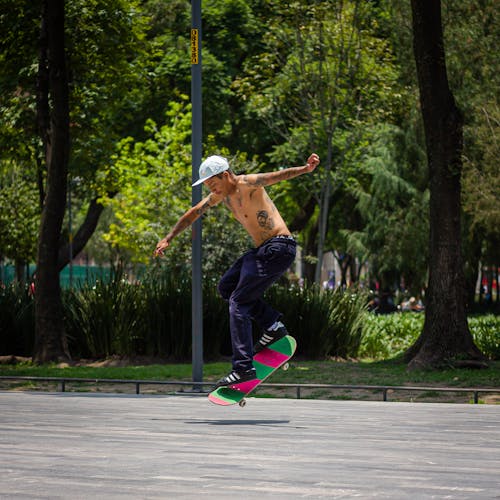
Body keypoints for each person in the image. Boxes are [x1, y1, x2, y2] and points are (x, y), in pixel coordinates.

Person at [154, 152, 320, 388]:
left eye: (213, 184)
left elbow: (278, 176)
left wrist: (305, 169)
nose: (213, 190)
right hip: (264, 250)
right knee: (227, 287)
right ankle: (273, 327)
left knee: (239, 303)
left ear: (225, 175)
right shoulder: (220, 197)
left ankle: (242, 368)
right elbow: (193, 212)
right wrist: (168, 237)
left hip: (279, 246)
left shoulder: (247, 183)